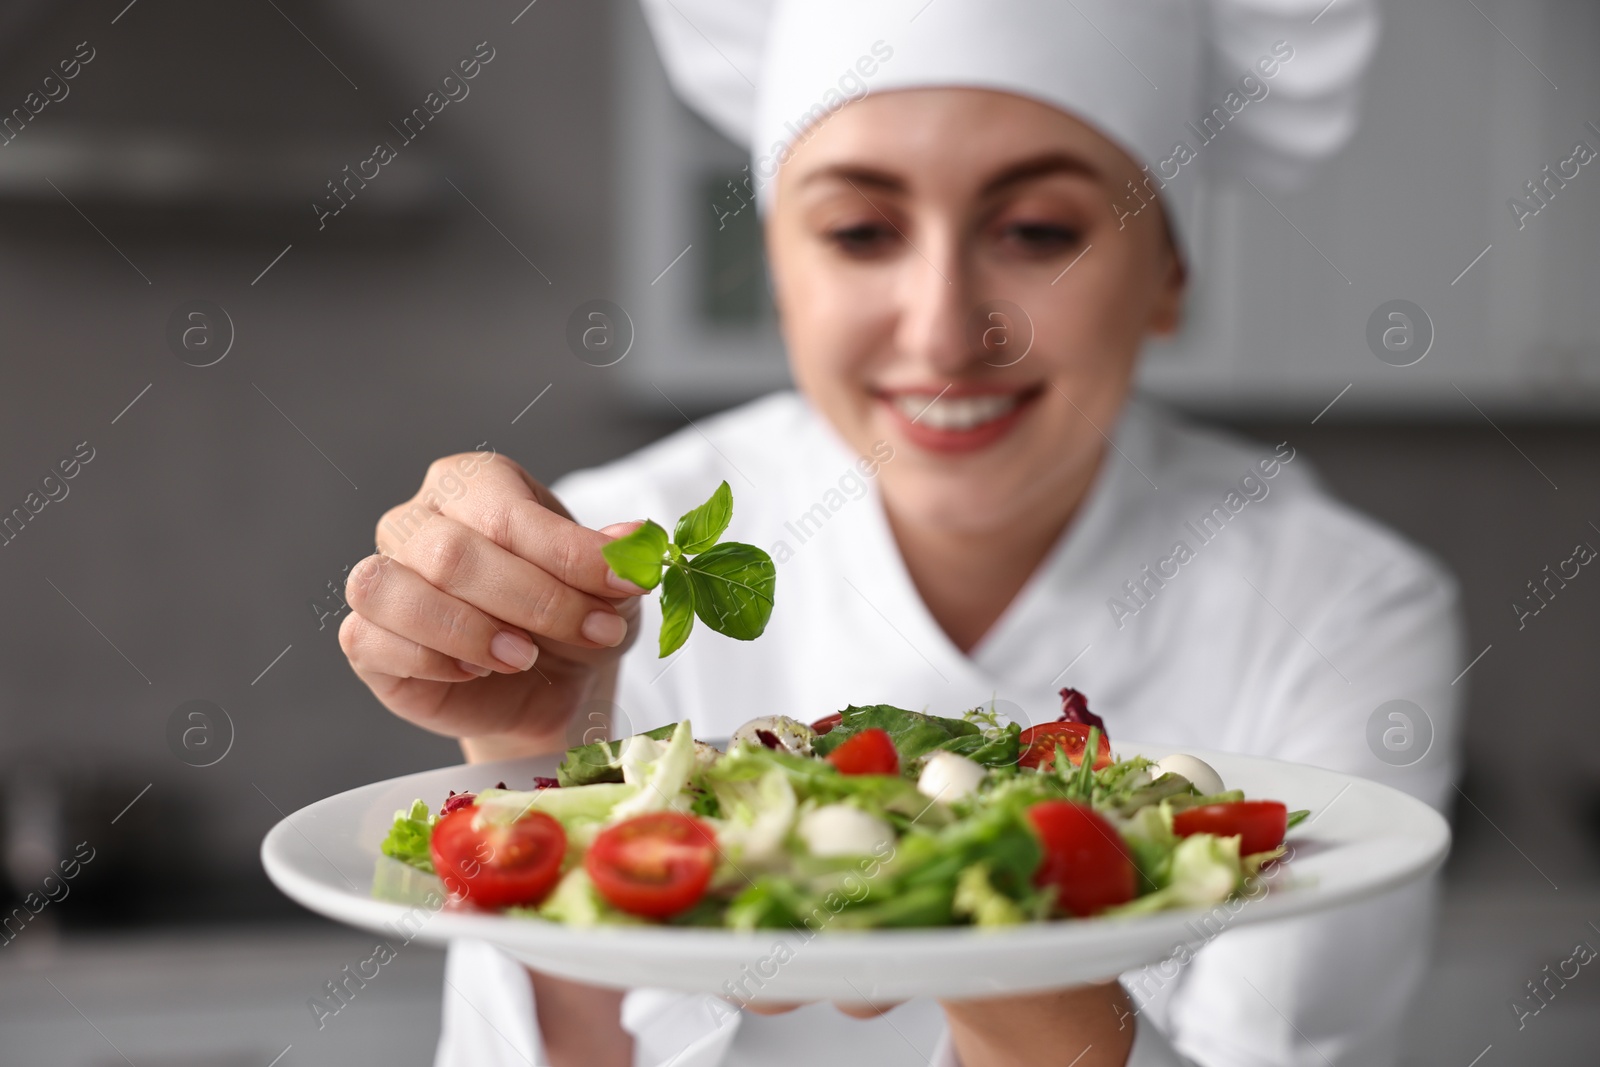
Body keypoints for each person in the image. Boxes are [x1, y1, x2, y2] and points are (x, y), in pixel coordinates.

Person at [337, 1, 1462, 1064]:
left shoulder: (1338, 604)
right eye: (861, 230)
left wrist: (970, 888)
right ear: (780, 270)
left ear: (1167, 272)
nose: (942, 329)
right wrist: (535, 756)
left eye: (1035, 229)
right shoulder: (618, 544)